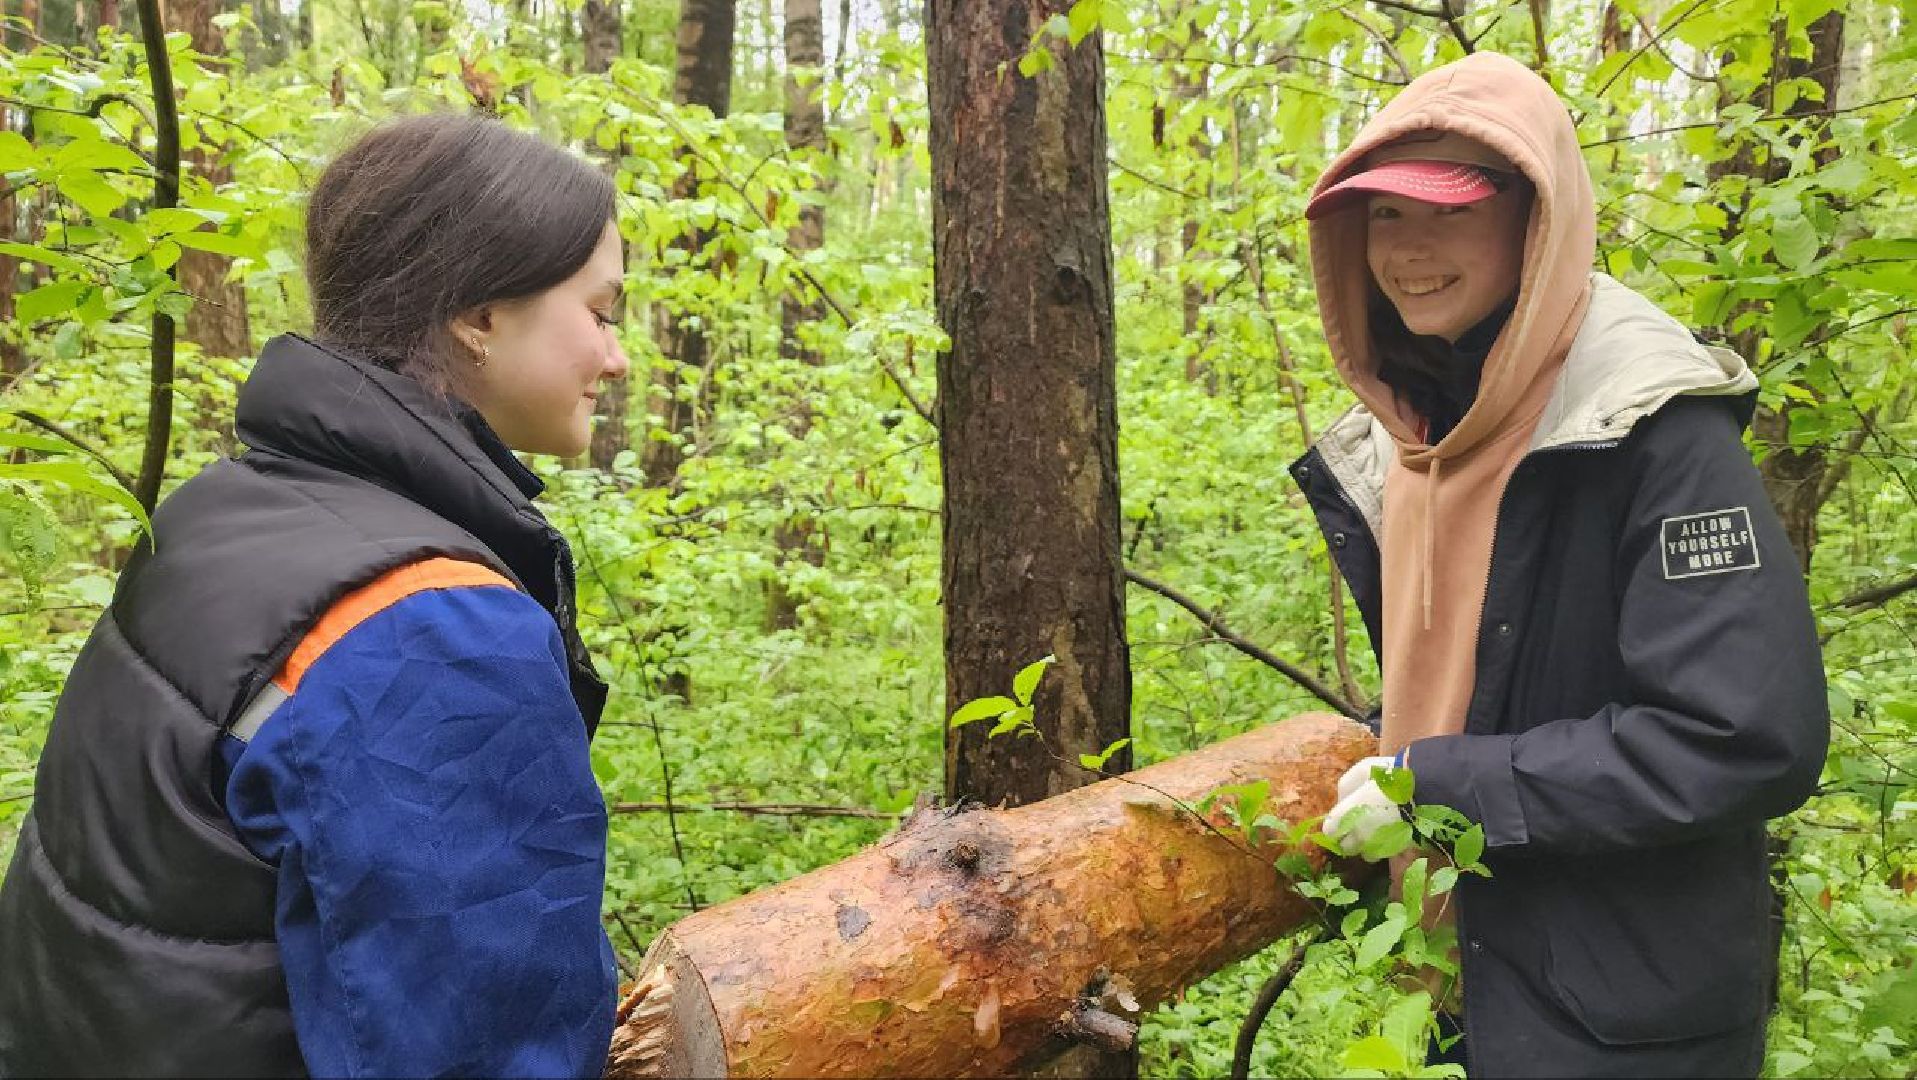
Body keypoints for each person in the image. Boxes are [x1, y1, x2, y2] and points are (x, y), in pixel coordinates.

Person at [0, 115, 630, 1077]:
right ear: (480, 316)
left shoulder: (223, 511)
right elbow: (484, 1054)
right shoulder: (434, 629)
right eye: (601, 311)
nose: (617, 357)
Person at [1300, 53, 1829, 1076]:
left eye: (1449, 213)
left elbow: (1745, 738)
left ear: (1534, 221)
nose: (1409, 254)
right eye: (1386, 220)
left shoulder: (1655, 431)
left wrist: (1435, 786)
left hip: (1620, 1017)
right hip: (1469, 981)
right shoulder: (1422, 430)